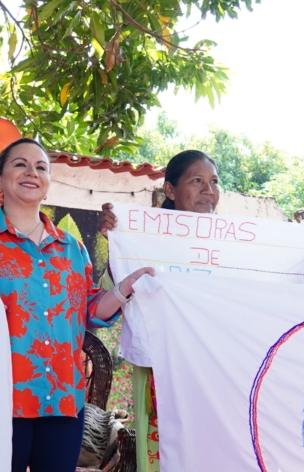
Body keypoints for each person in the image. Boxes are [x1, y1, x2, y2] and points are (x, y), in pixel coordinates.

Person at [0, 138, 153, 472]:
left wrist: (122, 289)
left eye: (41, 167)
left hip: (63, 402)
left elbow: (90, 310)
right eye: (20, 164)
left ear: (48, 183)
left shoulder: (71, 247)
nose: (32, 172)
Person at [97, 148, 220, 472]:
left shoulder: (232, 248)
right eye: (197, 181)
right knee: (162, 446)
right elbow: (115, 294)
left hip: (215, 365)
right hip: (159, 365)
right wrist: (117, 241)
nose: (209, 190)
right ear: (170, 190)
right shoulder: (142, 237)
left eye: (214, 181)